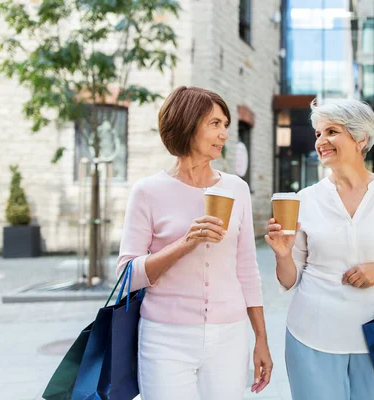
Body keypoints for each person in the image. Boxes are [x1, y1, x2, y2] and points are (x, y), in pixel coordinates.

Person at [265, 98, 374, 400]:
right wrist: (282, 253)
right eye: (317, 134)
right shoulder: (305, 199)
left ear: (360, 138)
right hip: (311, 337)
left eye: (331, 131)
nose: (321, 141)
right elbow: (289, 280)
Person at [117, 86, 272, 399]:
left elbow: (247, 270)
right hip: (164, 338)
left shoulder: (237, 189)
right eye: (214, 124)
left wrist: (261, 339)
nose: (224, 134)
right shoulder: (148, 191)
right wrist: (185, 243)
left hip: (230, 335)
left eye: (226, 125)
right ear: (187, 125)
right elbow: (126, 275)